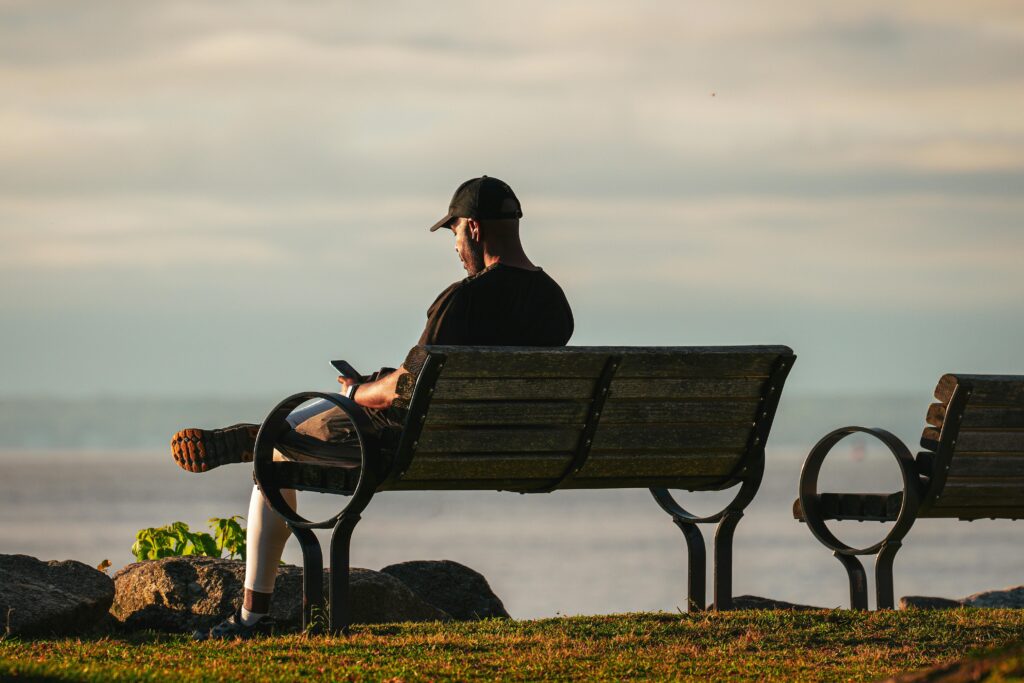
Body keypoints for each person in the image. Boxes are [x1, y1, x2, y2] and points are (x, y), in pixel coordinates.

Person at [171, 176, 574, 639]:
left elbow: (405, 390)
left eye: (455, 234)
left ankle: (250, 614)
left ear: (475, 229)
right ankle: (268, 431)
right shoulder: (555, 304)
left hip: (403, 443)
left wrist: (360, 391)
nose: (456, 247)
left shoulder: (462, 300)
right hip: (505, 447)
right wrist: (380, 383)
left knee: (274, 451)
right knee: (338, 405)